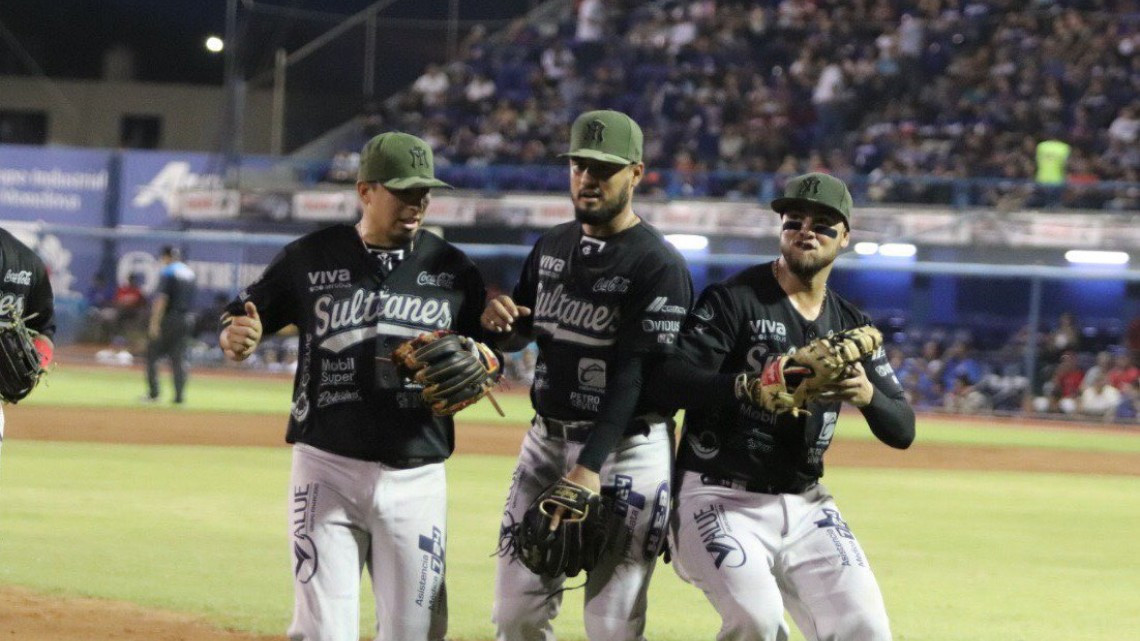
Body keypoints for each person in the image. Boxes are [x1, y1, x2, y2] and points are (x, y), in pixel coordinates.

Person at [219, 131, 490, 641]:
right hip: (327, 469)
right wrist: (239, 336)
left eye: (423, 193)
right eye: (403, 191)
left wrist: (490, 353)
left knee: (416, 633)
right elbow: (245, 318)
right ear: (365, 191)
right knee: (322, 631)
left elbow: (486, 353)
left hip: (418, 473)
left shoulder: (453, 268)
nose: (416, 204)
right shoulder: (309, 256)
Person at [645, 172, 915, 641]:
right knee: (758, 623)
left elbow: (903, 429)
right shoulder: (734, 300)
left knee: (867, 629)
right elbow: (668, 382)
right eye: (795, 220)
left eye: (824, 224)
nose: (806, 230)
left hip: (807, 503)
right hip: (718, 496)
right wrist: (750, 386)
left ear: (845, 237)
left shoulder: (850, 325)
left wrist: (866, 395)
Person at [482, 109, 693, 641]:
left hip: (627, 449)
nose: (588, 179)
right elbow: (525, 329)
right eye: (579, 165)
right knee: (515, 616)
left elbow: (635, 377)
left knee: (612, 625)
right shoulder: (551, 246)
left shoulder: (658, 264)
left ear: (637, 173)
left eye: (604, 168)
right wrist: (496, 333)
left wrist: (589, 467)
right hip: (545, 440)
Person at [0, 228, 56, 458]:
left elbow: (45, 329)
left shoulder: (28, 262)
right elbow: (47, 330)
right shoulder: (28, 260)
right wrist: (35, 366)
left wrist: (33, 369)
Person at [141, 246, 197, 404]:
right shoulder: (190, 273)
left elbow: (161, 299)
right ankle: (179, 397)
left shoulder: (168, 272)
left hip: (169, 318)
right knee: (179, 358)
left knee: (152, 355)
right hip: (186, 318)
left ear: (166, 257)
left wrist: (154, 323)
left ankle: (154, 394)